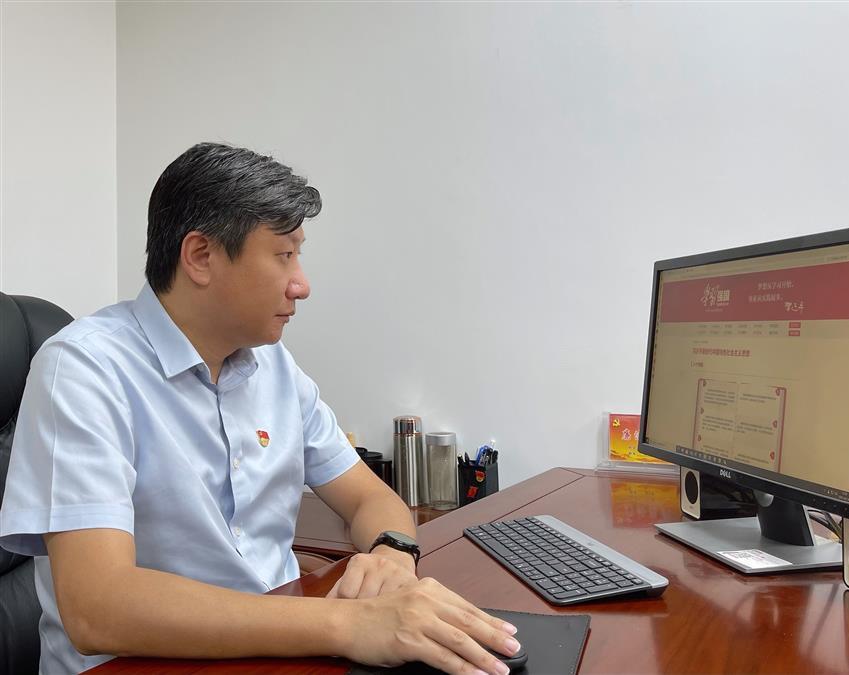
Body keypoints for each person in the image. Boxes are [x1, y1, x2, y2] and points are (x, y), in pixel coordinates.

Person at [0, 143, 519, 675]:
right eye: (283, 255)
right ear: (201, 256)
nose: (302, 284)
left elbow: (369, 497)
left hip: (278, 646)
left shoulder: (273, 366)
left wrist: (392, 551)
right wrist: (352, 625)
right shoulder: (84, 369)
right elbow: (98, 608)